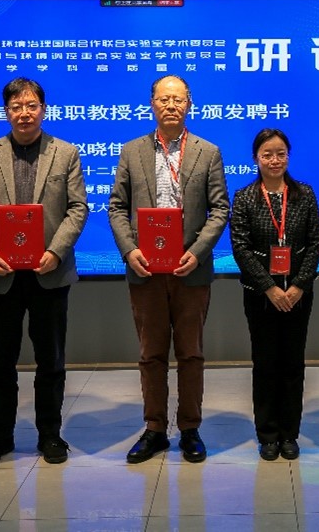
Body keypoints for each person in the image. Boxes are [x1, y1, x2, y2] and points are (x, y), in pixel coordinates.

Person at [0, 76, 88, 468]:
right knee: (0, 364)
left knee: (51, 361)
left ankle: (50, 435)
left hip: (49, 272)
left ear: (43, 109)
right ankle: (0, 437)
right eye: (16, 107)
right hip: (1, 275)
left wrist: (56, 251)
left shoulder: (65, 153)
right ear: (6, 111)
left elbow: (78, 208)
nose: (24, 113)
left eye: (31, 106)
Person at [108, 74, 229, 464]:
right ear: (152, 104)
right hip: (145, 269)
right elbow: (116, 207)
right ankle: (155, 429)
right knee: (151, 354)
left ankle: (190, 428)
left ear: (189, 103)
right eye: (164, 99)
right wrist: (129, 251)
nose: (171, 105)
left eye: (178, 99)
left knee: (191, 353)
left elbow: (220, 209)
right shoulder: (132, 151)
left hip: (190, 269)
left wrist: (198, 251)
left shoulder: (208, 152)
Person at [230, 128, 319, 461]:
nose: (274, 160)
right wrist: (269, 287)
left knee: (293, 364)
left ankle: (289, 434)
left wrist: (298, 286)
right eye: (267, 154)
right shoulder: (244, 197)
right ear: (256, 158)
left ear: (288, 156)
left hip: (298, 294)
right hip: (260, 295)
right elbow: (240, 247)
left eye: (281, 153)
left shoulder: (304, 194)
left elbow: (315, 243)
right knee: (265, 363)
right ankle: (268, 434)